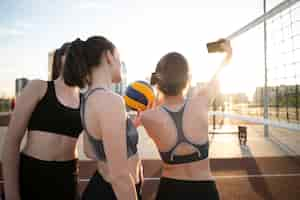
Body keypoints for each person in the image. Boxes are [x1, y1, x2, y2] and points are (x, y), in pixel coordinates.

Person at [139, 39, 232, 200]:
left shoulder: (149, 117)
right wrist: (228, 54)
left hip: (170, 191)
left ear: (159, 81)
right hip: (205, 192)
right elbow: (218, 76)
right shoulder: (201, 102)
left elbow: (155, 101)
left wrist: (155, 85)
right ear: (187, 79)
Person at [62, 36, 142, 200]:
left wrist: (124, 131)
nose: (120, 63)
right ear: (108, 56)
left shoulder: (88, 98)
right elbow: (119, 176)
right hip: (115, 193)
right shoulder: (110, 100)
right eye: (118, 57)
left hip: (105, 188)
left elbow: (90, 151)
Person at [2, 42, 83, 200]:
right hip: (32, 173)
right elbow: (11, 142)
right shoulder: (38, 87)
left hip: (67, 177)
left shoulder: (86, 100)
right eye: (72, 55)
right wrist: (12, 194)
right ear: (61, 59)